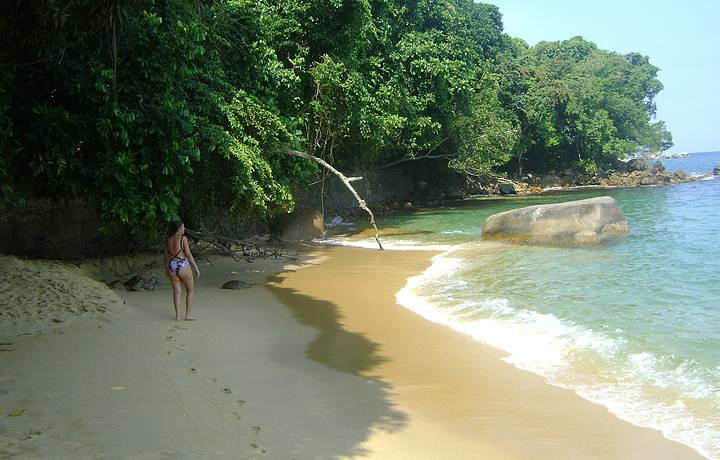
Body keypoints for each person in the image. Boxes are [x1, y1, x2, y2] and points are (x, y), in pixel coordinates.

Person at [164, 221, 200, 320]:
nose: (184, 229)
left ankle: (178, 316)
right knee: (190, 290)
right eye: (183, 227)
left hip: (172, 266)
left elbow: (166, 256)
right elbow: (188, 254)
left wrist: (166, 269)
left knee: (177, 292)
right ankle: (188, 315)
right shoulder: (183, 239)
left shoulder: (168, 239)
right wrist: (196, 267)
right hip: (183, 265)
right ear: (178, 229)